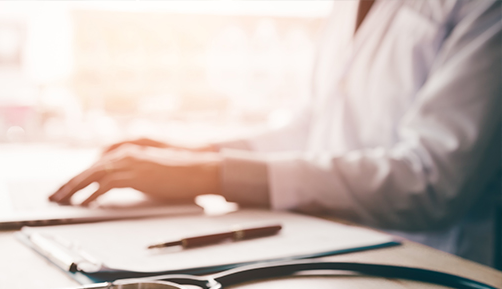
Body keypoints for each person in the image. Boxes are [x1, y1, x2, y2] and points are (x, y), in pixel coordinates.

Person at [50, 0, 502, 267]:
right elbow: (314, 126)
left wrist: (211, 175)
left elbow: (430, 180)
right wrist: (194, 154)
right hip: (334, 258)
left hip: (434, 273)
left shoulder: (485, 9)